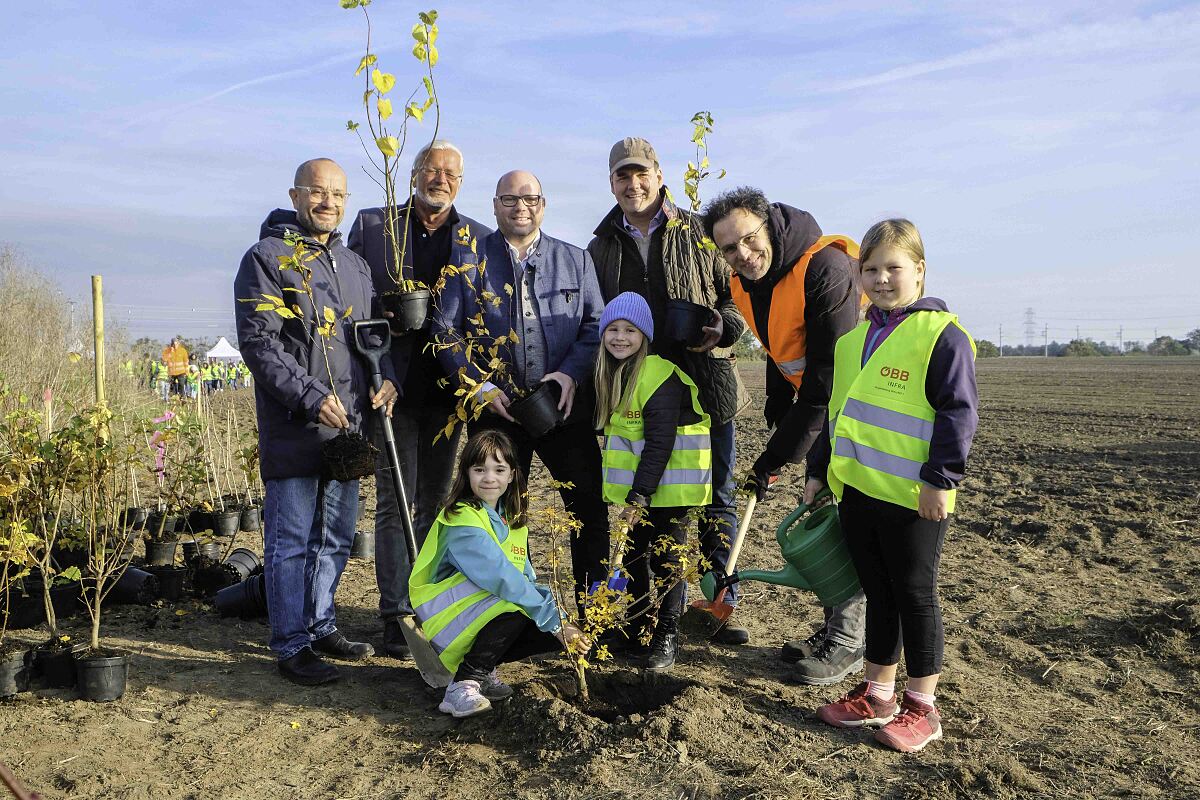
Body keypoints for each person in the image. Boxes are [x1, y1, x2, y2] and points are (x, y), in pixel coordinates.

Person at [805, 219, 978, 753]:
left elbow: (958, 413)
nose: (881, 278)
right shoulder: (854, 338)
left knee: (915, 596)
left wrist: (939, 481)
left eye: (893, 268)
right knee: (878, 593)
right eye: (871, 268)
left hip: (914, 499)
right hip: (859, 491)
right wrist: (818, 470)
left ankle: (923, 707)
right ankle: (878, 693)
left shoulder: (942, 337)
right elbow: (836, 414)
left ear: (920, 272)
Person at [234, 157, 399, 686]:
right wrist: (310, 397)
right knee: (290, 540)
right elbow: (260, 346)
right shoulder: (267, 259)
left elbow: (371, 334)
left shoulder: (353, 265)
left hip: (347, 427)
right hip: (296, 424)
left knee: (335, 535)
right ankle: (291, 643)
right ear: (296, 194)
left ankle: (322, 624)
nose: (328, 203)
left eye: (338, 195)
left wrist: (385, 377)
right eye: (318, 192)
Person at [702, 186, 868, 686]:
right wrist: (778, 399)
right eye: (729, 249)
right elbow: (783, 341)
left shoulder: (826, 270)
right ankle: (837, 629)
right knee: (827, 512)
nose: (743, 255)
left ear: (769, 225)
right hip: (829, 405)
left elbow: (824, 384)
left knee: (850, 520)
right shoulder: (747, 281)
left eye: (749, 239)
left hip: (862, 410)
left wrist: (773, 459)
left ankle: (850, 641)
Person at [588, 137, 751, 646]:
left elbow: (737, 301)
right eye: (622, 175)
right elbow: (595, 317)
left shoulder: (702, 234)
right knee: (649, 502)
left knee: (715, 497)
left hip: (705, 385)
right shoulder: (601, 246)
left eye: (641, 173)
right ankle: (654, 611)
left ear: (660, 176)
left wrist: (721, 330)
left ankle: (718, 606)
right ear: (611, 182)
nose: (632, 184)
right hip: (636, 393)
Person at [433, 170, 609, 605]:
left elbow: (595, 325)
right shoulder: (467, 262)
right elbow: (443, 329)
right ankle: (516, 615)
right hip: (497, 413)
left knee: (588, 509)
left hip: (563, 408)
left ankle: (596, 618)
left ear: (543, 205)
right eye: (509, 199)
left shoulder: (576, 260)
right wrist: (479, 386)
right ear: (494, 206)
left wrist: (569, 373)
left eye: (529, 198)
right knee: (501, 516)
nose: (520, 206)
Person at [349, 140, 493, 661]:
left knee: (435, 502)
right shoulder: (372, 226)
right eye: (431, 170)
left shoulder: (476, 238)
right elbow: (353, 308)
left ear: (461, 181)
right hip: (392, 389)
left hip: (448, 395)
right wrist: (379, 368)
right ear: (413, 175)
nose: (441, 179)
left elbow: (484, 316)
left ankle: (429, 603)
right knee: (394, 501)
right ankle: (394, 614)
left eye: (451, 173)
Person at [409, 429, 589, 718]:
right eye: (479, 469)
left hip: (470, 613)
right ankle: (462, 685)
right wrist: (557, 624)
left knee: (541, 621)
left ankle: (484, 671)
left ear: (512, 475)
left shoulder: (511, 521)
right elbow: (503, 578)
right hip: (441, 617)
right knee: (518, 603)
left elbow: (527, 579)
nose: (489, 478)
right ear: (466, 473)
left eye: (499, 469)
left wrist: (562, 622)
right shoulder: (463, 519)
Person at [595, 293, 711, 671]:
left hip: (670, 491)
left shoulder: (659, 374)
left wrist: (638, 495)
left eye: (630, 330)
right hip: (643, 490)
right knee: (632, 559)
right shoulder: (614, 373)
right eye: (612, 329)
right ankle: (636, 628)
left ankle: (666, 636)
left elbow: (660, 442)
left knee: (667, 563)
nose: (620, 337)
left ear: (645, 335)